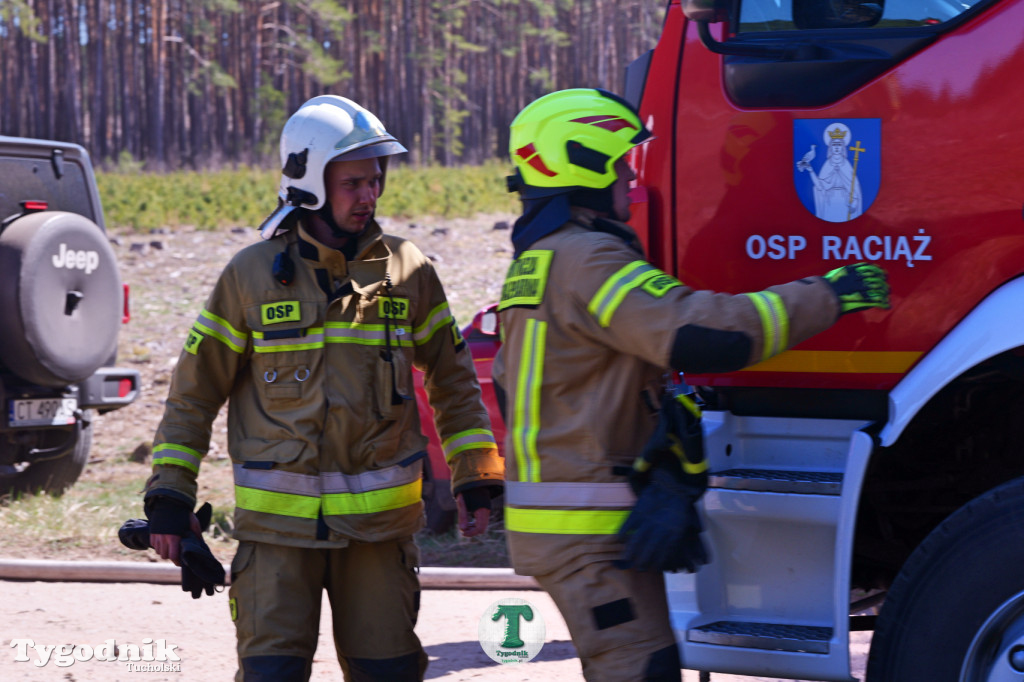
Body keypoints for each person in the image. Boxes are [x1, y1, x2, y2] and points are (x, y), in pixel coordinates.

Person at [493, 88, 890, 682]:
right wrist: (830, 294)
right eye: (621, 163)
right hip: (586, 533)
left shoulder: (540, 260)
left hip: (573, 521)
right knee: (638, 669)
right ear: (585, 163)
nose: (630, 178)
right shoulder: (589, 259)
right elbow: (704, 334)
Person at [141, 94, 504, 682]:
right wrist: (170, 493)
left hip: (380, 542)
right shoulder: (250, 276)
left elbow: (454, 382)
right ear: (308, 184)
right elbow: (194, 393)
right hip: (277, 544)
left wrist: (477, 475)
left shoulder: (409, 271)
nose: (371, 195)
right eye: (354, 182)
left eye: (376, 179)